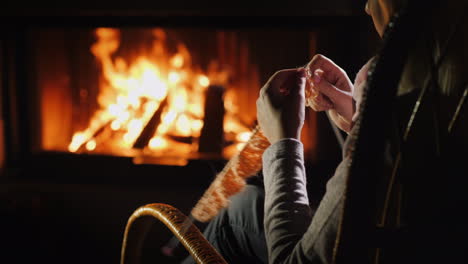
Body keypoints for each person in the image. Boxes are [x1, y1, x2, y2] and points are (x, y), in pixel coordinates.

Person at [183, 0, 468, 263]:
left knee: (229, 217)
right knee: (242, 202)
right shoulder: (444, 99)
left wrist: (283, 142)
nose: (368, 8)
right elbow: (397, 169)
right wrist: (359, 120)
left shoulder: (390, 100)